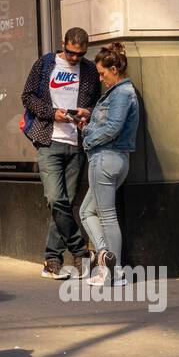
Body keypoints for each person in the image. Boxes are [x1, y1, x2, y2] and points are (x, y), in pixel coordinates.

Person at [20, 27, 102, 281]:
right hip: (49, 140)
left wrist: (86, 113)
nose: (75, 58)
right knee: (56, 198)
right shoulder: (45, 64)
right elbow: (27, 96)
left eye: (80, 54)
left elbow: (96, 102)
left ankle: (52, 259)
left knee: (66, 202)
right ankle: (80, 250)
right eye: (71, 52)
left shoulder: (89, 70)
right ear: (62, 44)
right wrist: (50, 112)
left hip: (76, 142)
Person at [79, 42, 140, 288]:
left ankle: (113, 272)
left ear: (115, 69)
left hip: (105, 158)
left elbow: (113, 128)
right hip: (115, 158)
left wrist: (88, 138)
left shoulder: (122, 93)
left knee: (106, 216)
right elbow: (109, 124)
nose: (101, 78)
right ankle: (109, 263)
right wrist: (91, 123)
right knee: (87, 212)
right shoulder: (120, 93)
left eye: (103, 73)